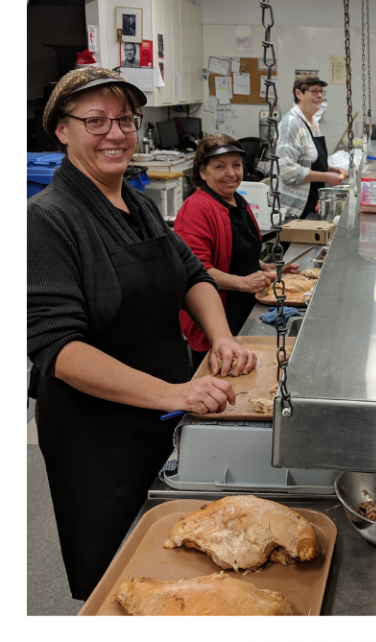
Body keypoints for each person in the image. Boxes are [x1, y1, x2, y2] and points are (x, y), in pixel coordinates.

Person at [27, 67, 257, 600]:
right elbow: (58, 350)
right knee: (124, 582)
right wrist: (174, 392)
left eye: (125, 120)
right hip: (98, 435)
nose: (115, 133)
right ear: (62, 130)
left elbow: (193, 277)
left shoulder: (140, 205)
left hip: (163, 412)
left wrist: (222, 338)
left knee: (177, 563)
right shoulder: (47, 220)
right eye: (95, 121)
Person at [174, 133, 299, 371]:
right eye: (220, 167)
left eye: (236, 165)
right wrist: (243, 283)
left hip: (243, 311)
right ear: (203, 172)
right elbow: (195, 272)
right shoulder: (197, 209)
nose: (231, 173)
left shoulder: (237, 201)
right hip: (213, 325)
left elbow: (240, 252)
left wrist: (265, 267)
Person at [276, 75, 347, 218]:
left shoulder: (311, 123)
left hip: (311, 200)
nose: (319, 95)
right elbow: (287, 171)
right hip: (294, 209)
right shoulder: (291, 125)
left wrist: (330, 169)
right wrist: (326, 176)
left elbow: (308, 160)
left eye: (321, 92)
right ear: (298, 94)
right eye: (314, 91)